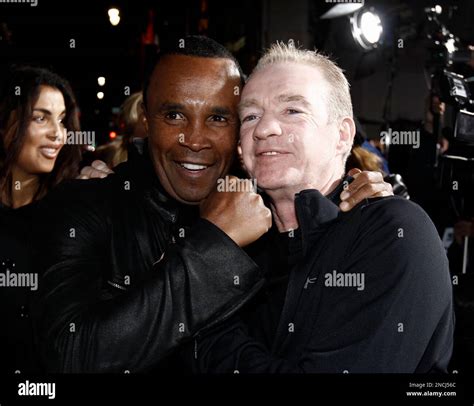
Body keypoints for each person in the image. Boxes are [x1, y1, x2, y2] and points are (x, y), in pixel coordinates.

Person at [32, 36, 393, 373]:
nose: (195, 139)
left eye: (218, 118)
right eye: (174, 115)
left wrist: (352, 199)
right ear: (147, 120)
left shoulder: (268, 214)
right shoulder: (86, 204)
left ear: (239, 130)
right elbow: (68, 353)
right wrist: (215, 241)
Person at [191, 43, 454, 373]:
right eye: (251, 116)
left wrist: (205, 327)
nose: (264, 129)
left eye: (293, 111)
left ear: (342, 135)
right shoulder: (238, 247)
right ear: (240, 150)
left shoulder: (394, 232)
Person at [0, 66, 83, 373]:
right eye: (40, 117)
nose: (57, 134)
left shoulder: (71, 215)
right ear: (5, 122)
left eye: (62, 120)